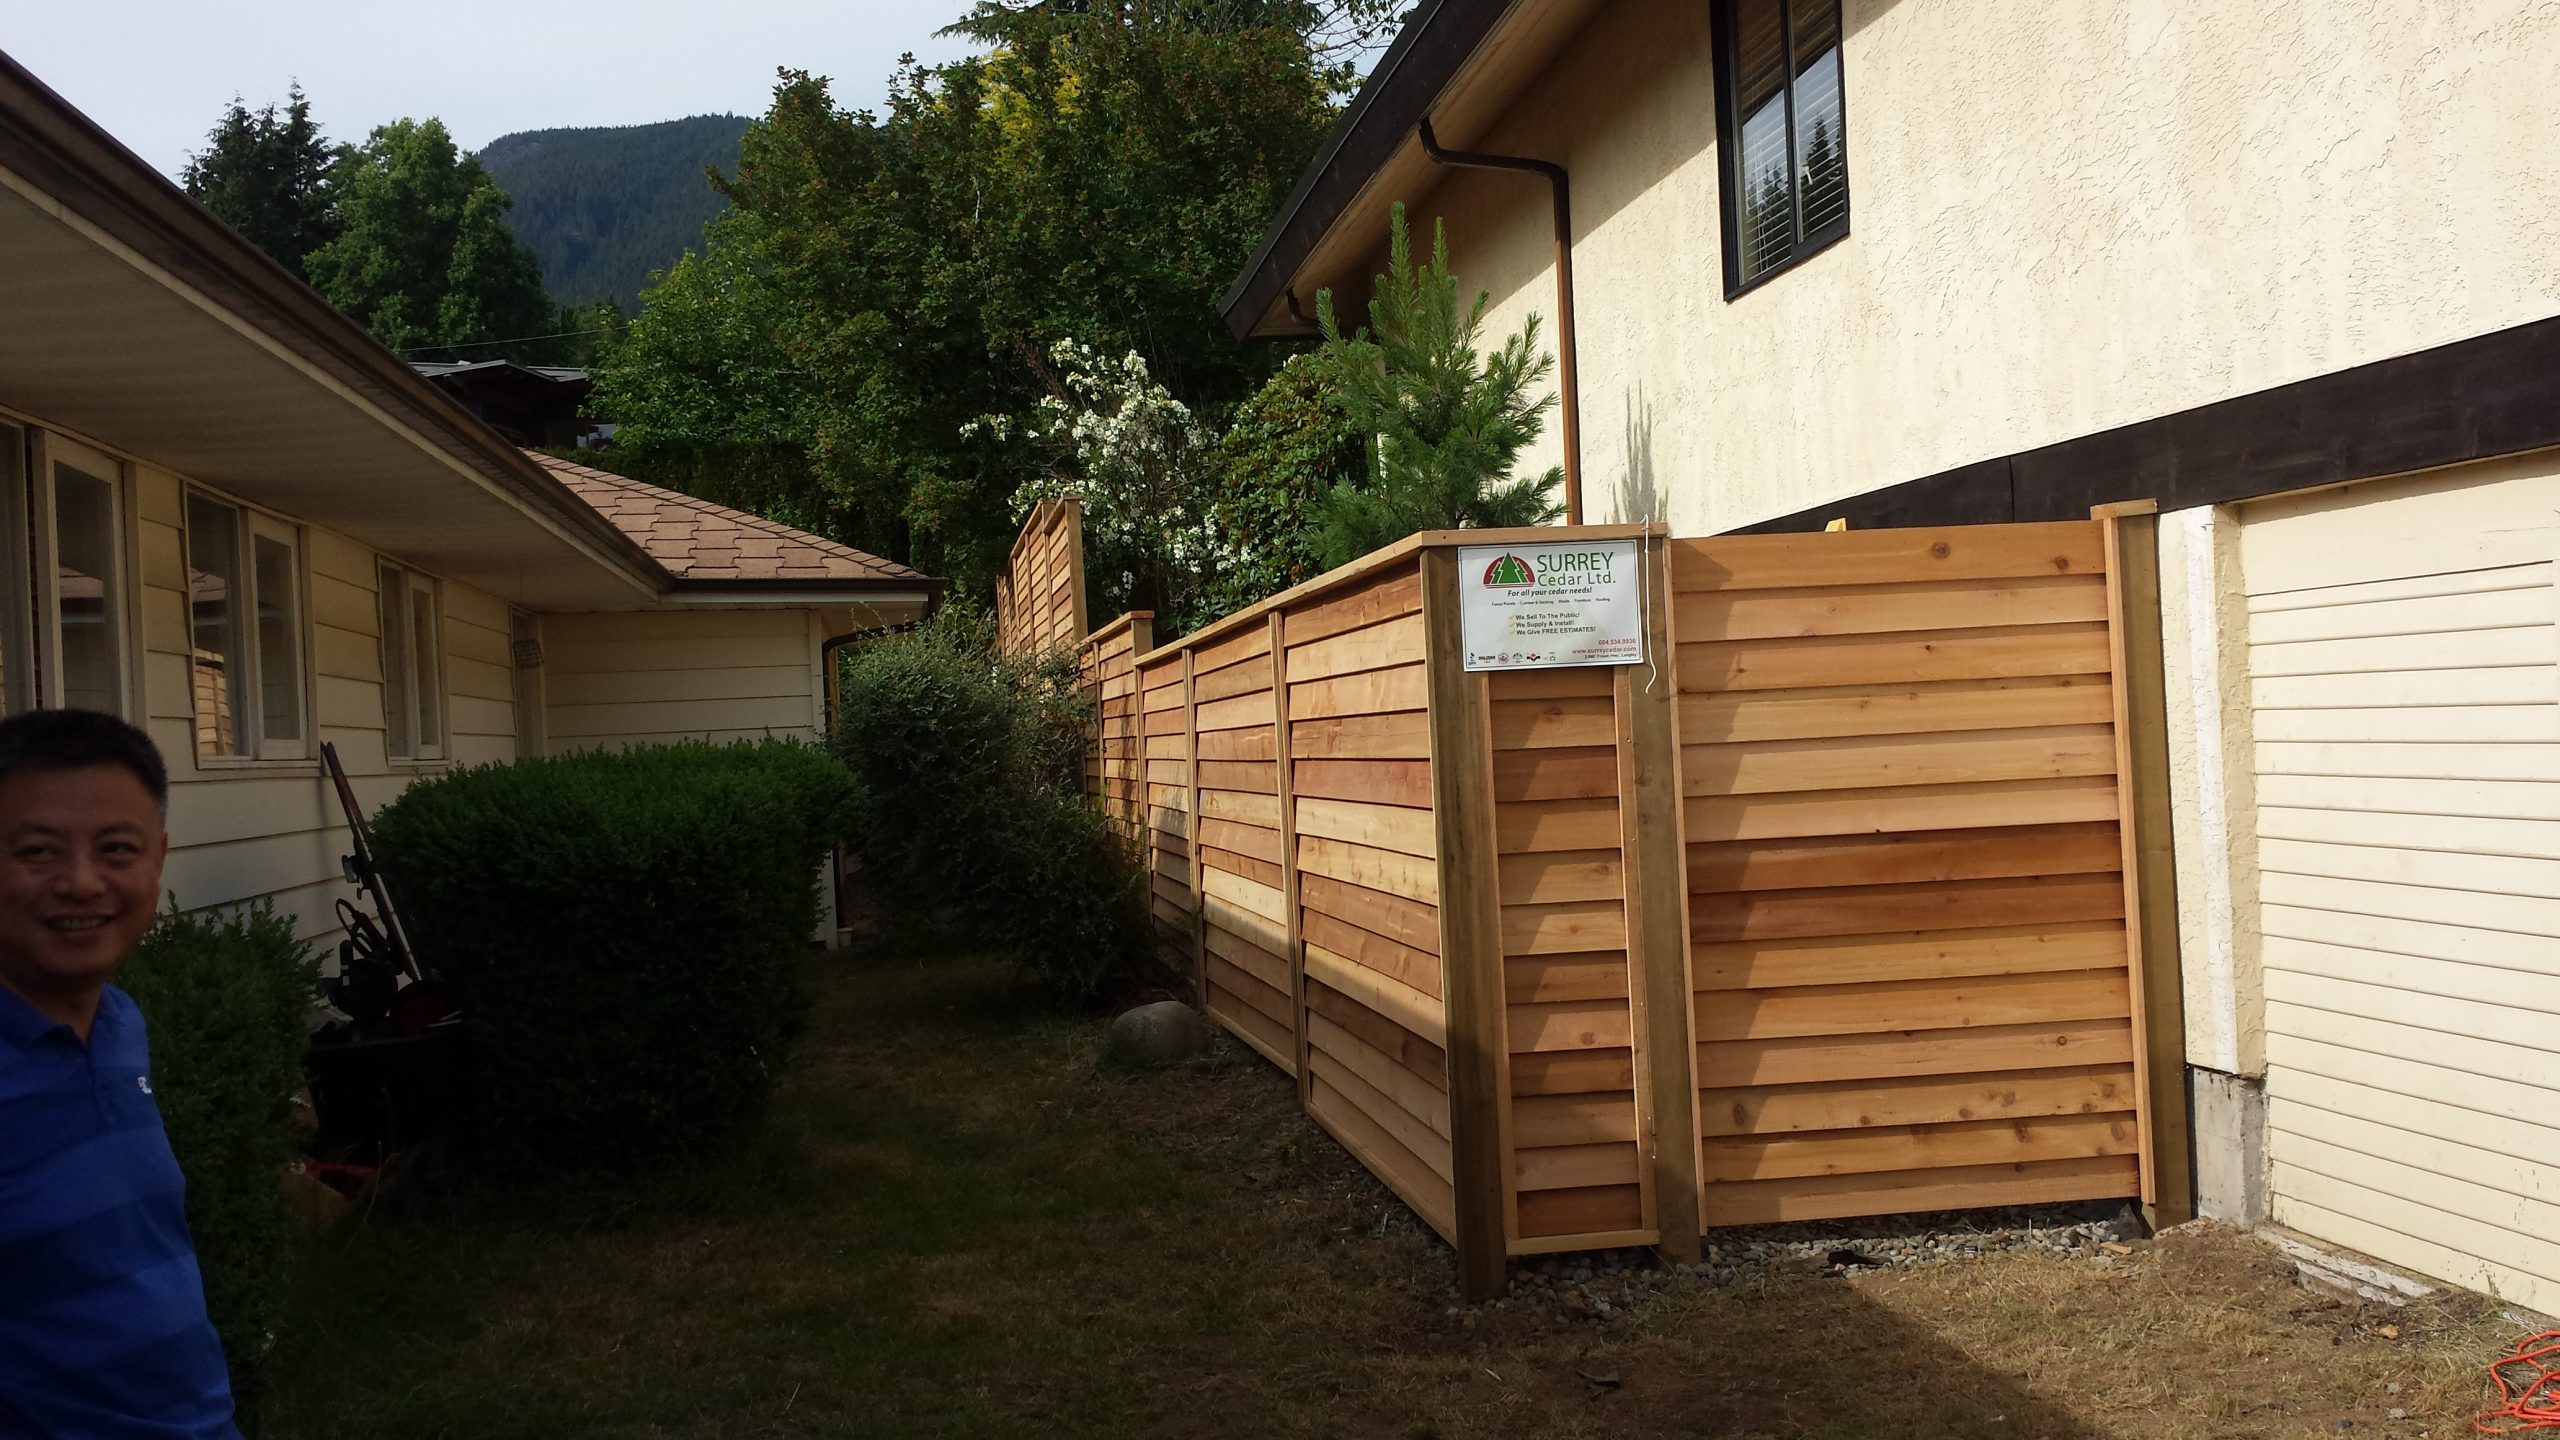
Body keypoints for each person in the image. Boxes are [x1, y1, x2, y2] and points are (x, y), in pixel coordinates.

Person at [0, 709, 240, 1438]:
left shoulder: (119, 1025)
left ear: (158, 859)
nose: (81, 882)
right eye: (37, 851)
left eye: (116, 848)